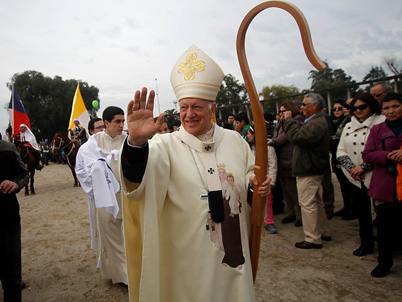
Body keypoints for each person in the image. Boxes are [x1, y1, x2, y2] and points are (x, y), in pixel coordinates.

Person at [119, 45, 271, 302]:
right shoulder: (163, 146)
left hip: (231, 250)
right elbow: (137, 184)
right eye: (184, 107)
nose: (189, 114)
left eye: (197, 107)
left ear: (213, 108)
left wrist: (255, 186)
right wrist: (135, 144)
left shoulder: (235, 141)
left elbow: (249, 180)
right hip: (185, 258)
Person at [75, 108, 128, 286]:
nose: (122, 125)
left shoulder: (127, 140)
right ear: (106, 123)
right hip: (106, 198)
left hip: (128, 197)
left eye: (123, 121)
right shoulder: (92, 143)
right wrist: (96, 191)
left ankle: (131, 271)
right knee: (112, 237)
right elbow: (84, 169)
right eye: (118, 121)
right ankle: (122, 276)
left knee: (128, 235)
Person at [337, 92, 384, 257]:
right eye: (354, 108)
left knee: (383, 214)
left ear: (371, 106)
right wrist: (352, 169)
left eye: (362, 107)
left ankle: (387, 248)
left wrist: (363, 167)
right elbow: (341, 150)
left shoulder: (382, 122)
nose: (358, 111)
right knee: (362, 213)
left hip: (377, 174)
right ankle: (366, 243)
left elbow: (384, 149)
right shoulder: (349, 125)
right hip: (355, 177)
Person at [283, 93, 331, 249]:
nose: (301, 108)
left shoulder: (317, 123)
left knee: (307, 203)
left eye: (304, 105)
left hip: (309, 168)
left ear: (315, 106)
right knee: (316, 201)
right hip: (310, 166)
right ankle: (323, 231)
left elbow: (298, 137)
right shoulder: (314, 122)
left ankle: (312, 238)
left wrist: (289, 120)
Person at [362, 92, 402, 277]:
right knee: (384, 227)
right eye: (386, 107)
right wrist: (387, 155)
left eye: (395, 106)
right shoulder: (377, 130)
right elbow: (368, 154)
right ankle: (384, 262)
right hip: (386, 184)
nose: (391, 111)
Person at [0, 140, 29, 302]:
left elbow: (23, 173)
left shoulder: (7, 148)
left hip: (7, 219)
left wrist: (15, 183)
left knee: (11, 275)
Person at [269, 101, 304, 227]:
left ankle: (300, 216)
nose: (280, 114)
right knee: (286, 191)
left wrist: (268, 142)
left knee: (293, 191)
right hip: (281, 162)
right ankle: (291, 213)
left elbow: (282, 139)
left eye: (283, 111)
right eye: (280, 112)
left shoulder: (295, 122)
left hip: (290, 161)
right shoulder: (281, 124)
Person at [247, 124, 278, 234]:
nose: (247, 135)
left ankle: (269, 222)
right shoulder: (249, 148)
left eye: (249, 133)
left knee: (268, 202)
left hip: (266, 180)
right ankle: (257, 220)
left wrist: (272, 181)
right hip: (254, 180)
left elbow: (272, 165)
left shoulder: (268, 148)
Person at [330, 101, 356, 220]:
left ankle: (354, 209)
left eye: (340, 108)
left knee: (351, 183)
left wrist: (349, 116)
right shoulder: (333, 123)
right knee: (342, 184)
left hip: (348, 157)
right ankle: (347, 206)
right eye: (334, 108)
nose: (337, 110)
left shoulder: (349, 122)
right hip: (336, 157)